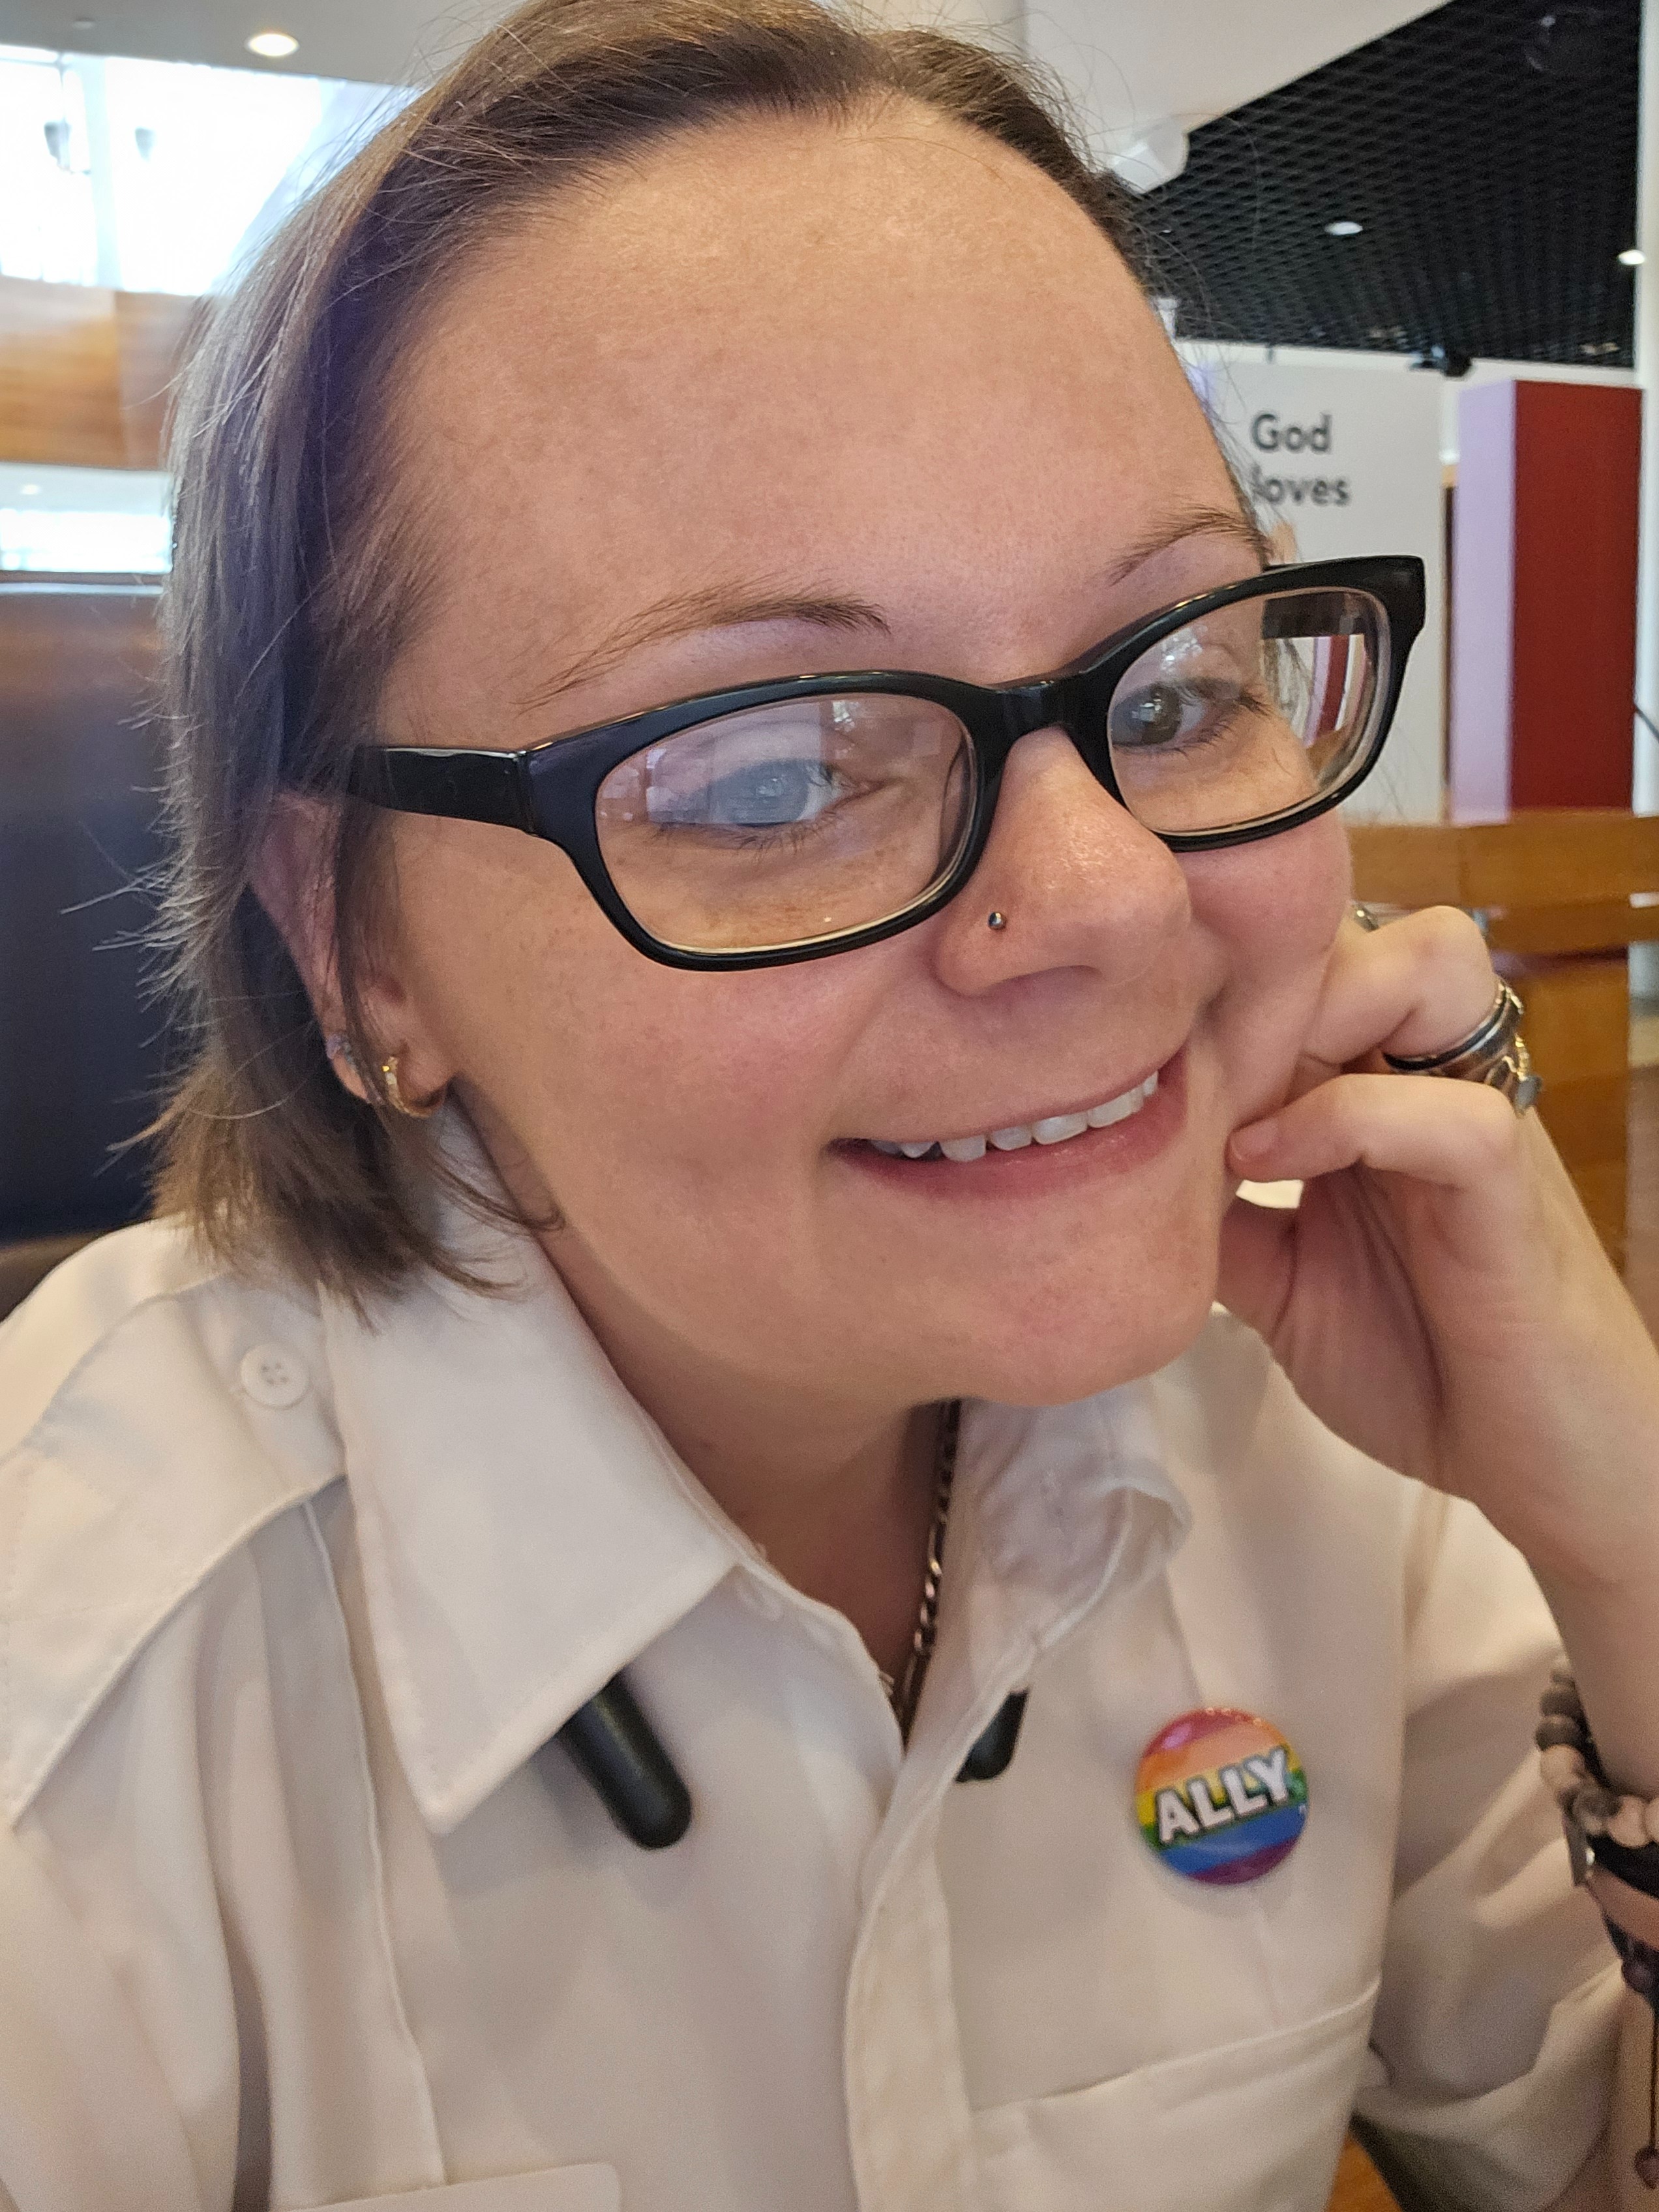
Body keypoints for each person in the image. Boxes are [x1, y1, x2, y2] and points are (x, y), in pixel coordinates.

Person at [1, 1, 1656, 2205]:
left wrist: (1631, 1543)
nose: (1107, 902)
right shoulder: (84, 1698)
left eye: (1178, 688)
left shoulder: (1320, 1408)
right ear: (356, 943)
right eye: (770, 773)